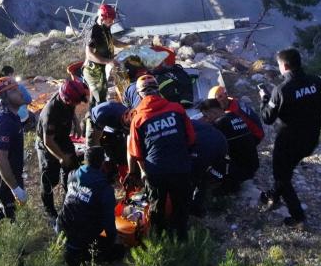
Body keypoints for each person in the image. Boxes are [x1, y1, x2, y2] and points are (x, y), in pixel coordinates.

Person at [259, 48, 321, 228]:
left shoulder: (281, 90)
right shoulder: (316, 81)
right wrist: (310, 111)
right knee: (285, 171)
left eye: (279, 65)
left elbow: (267, 118)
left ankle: (297, 217)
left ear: (284, 66)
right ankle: (273, 195)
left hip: (288, 141)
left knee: (282, 176)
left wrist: (264, 100)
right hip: (311, 138)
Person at [128, 74, 196, 240]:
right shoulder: (177, 109)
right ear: (158, 90)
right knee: (181, 206)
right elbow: (191, 138)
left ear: (139, 94)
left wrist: (144, 172)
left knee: (156, 207)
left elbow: (136, 153)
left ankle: (158, 241)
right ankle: (181, 239)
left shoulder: (137, 119)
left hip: (156, 171)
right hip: (181, 167)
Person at [56, 146, 125, 266]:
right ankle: (84, 255)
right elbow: (109, 223)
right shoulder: (104, 188)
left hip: (62, 228)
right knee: (120, 250)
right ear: (102, 163)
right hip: (82, 237)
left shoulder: (72, 174)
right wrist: (113, 240)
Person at [36, 79, 91, 224]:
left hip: (62, 137)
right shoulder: (51, 112)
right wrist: (60, 157)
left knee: (72, 168)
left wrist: (76, 123)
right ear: (66, 100)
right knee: (49, 179)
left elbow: (72, 109)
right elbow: (48, 141)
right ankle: (49, 210)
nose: (77, 105)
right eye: (75, 102)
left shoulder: (70, 95)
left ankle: (71, 199)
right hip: (48, 144)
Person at [0, 77, 29, 229]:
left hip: (9, 175)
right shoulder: (4, 122)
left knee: (2, 212)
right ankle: (13, 250)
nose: (20, 93)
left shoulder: (13, 115)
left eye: (17, 88)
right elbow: (0, 159)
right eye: (14, 90)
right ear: (4, 96)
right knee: (10, 217)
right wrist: (15, 188)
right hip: (2, 179)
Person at [199, 98, 259, 194]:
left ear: (213, 112)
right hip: (253, 165)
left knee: (206, 167)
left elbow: (207, 147)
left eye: (206, 116)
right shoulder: (234, 116)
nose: (206, 119)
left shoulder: (219, 124)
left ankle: (230, 185)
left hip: (243, 171)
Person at [83, 4, 129, 109]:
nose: (112, 22)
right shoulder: (93, 31)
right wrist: (108, 61)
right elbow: (89, 55)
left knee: (103, 94)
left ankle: (95, 114)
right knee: (100, 98)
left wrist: (126, 45)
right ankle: (95, 120)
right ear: (103, 17)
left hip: (102, 67)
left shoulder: (106, 27)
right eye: (110, 19)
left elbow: (112, 40)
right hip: (93, 71)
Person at [189, 118, 228, 216]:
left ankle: (195, 208)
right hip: (222, 141)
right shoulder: (187, 120)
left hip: (205, 148)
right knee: (203, 174)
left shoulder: (176, 130)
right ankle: (216, 177)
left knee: (195, 178)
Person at [88, 100, 132, 174]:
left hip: (112, 125)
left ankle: (116, 169)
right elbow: (95, 141)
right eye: (124, 129)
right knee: (94, 152)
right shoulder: (104, 115)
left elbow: (129, 142)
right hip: (95, 119)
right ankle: (94, 175)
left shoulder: (130, 115)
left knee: (120, 148)